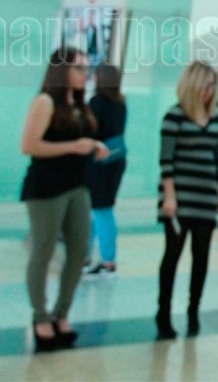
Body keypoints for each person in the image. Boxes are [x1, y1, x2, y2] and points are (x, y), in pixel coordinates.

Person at [20, 47, 108, 351]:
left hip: (78, 186)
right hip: (47, 188)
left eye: (87, 69)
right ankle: (40, 315)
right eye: (79, 68)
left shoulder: (80, 104)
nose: (85, 75)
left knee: (79, 251)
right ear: (62, 71)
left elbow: (77, 140)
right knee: (43, 252)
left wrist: (93, 146)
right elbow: (29, 145)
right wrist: (74, 147)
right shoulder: (45, 102)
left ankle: (62, 312)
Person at [156, 62, 218, 339]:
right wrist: (169, 197)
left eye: (213, 85)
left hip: (205, 196)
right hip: (179, 197)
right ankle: (163, 311)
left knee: (202, 256)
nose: (211, 90)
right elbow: (166, 161)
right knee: (172, 255)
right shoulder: (174, 116)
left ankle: (193, 309)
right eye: (207, 85)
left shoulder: (217, 117)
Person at [85, 63, 128, 278]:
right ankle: (91, 256)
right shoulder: (120, 103)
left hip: (99, 161)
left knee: (100, 210)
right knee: (99, 209)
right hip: (116, 159)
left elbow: (91, 132)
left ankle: (107, 261)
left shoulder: (96, 102)